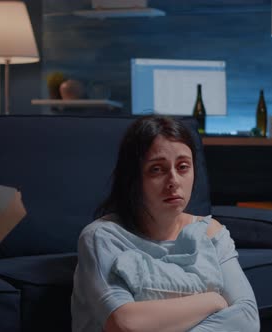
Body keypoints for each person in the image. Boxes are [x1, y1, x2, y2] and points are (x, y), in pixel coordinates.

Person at [71, 115, 259, 332]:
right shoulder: (101, 237)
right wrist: (212, 301)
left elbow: (246, 319)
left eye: (183, 167)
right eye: (157, 169)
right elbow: (125, 323)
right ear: (132, 178)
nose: (174, 181)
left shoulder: (210, 233)